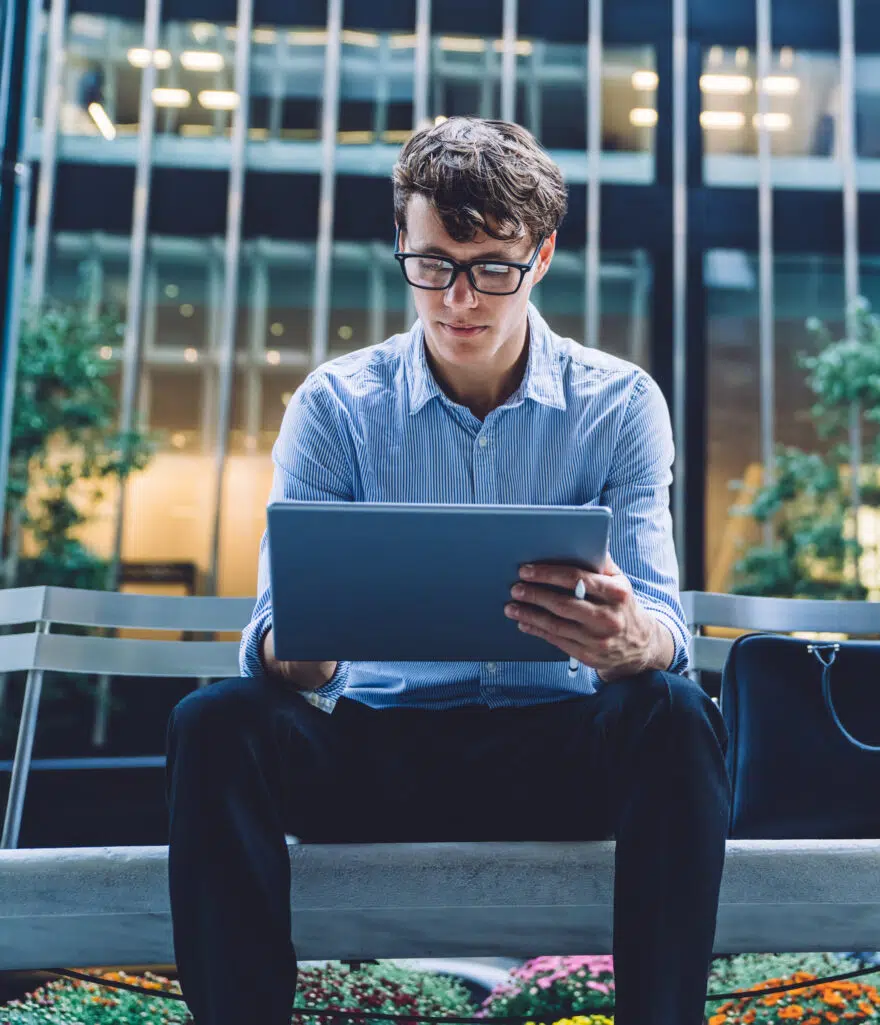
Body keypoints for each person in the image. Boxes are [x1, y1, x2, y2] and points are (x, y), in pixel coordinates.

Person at [164, 117, 729, 1025]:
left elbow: (664, 623)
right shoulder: (337, 405)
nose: (458, 299)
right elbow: (271, 643)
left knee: (671, 708)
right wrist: (303, 649)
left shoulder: (622, 405)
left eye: (490, 268)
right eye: (432, 264)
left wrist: (635, 639)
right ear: (402, 245)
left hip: (559, 755)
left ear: (541, 257)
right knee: (216, 722)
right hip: (380, 752)